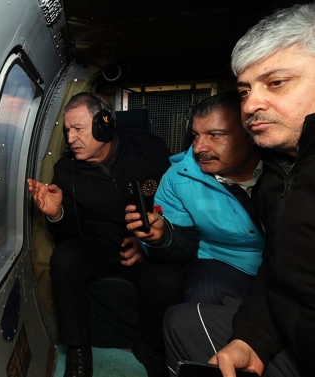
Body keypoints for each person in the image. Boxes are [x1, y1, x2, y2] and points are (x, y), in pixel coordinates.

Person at [163, 3, 315, 376]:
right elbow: (282, 270)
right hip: (236, 273)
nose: (253, 104)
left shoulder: (271, 171)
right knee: (183, 316)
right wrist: (253, 340)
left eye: (276, 82)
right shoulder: (284, 173)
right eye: (245, 90)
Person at [28, 92, 184, 377]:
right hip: (96, 246)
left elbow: (177, 206)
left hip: (142, 247)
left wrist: (151, 243)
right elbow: (69, 230)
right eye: (67, 131)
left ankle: (149, 346)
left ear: (104, 124)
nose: (71, 138)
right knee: (64, 259)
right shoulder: (65, 170)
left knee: (170, 280)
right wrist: (56, 214)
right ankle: (77, 354)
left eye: (78, 129)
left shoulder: (150, 150)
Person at [125, 91, 264, 305]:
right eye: (196, 135)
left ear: (249, 135)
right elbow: (185, 245)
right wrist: (162, 237)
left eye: (215, 135)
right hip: (221, 262)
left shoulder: (286, 170)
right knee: (202, 298)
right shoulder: (177, 178)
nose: (199, 147)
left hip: (286, 262)